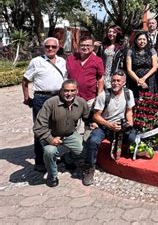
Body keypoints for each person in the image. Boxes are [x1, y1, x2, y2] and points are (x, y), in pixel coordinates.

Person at [83, 70, 136, 186]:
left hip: (119, 125)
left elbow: (129, 111)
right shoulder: (104, 95)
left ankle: (120, 147)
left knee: (133, 138)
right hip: (104, 125)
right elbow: (96, 116)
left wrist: (129, 122)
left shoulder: (128, 93)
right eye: (113, 80)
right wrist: (109, 125)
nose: (115, 83)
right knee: (93, 141)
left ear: (124, 83)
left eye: (118, 81)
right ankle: (89, 168)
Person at [33, 79, 88, 187]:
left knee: (85, 151)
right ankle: (52, 175)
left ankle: (67, 159)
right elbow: (38, 127)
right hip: (52, 135)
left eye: (72, 90)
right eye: (66, 90)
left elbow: (88, 117)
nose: (69, 93)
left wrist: (92, 123)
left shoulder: (81, 102)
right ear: (61, 91)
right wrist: (50, 139)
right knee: (49, 152)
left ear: (77, 91)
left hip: (70, 134)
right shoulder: (51, 103)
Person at [22, 37, 67, 172]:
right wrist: (26, 97)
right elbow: (25, 80)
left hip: (58, 97)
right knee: (40, 129)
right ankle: (40, 161)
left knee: (56, 128)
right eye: (48, 46)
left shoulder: (62, 61)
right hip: (41, 98)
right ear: (44, 47)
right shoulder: (36, 61)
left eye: (53, 47)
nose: (50, 49)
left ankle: (52, 156)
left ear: (58, 48)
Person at [66, 36, 105, 107]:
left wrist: (99, 95)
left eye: (88, 45)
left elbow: (100, 78)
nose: (85, 47)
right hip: (71, 96)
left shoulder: (98, 60)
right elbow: (66, 75)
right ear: (79, 46)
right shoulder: (71, 58)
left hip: (89, 98)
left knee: (88, 117)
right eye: (82, 45)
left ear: (93, 47)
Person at [126, 31, 158, 98]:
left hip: (149, 79)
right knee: (136, 100)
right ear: (136, 40)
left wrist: (144, 78)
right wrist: (138, 80)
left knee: (150, 102)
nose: (142, 41)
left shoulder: (152, 50)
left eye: (144, 39)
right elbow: (129, 69)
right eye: (139, 39)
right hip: (135, 80)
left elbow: (155, 67)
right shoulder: (130, 51)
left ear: (147, 40)